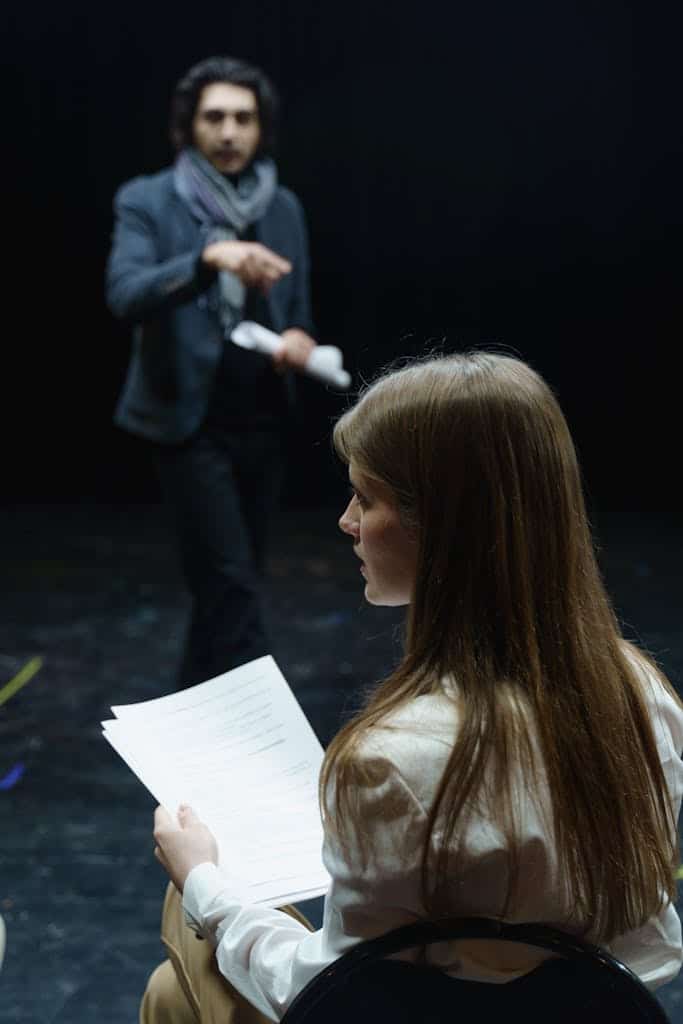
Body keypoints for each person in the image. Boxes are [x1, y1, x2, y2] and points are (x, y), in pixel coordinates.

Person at [143, 352, 683, 1022]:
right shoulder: (645, 698)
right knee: (174, 991)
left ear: (443, 528)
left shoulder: (392, 759)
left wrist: (202, 882)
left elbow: (327, 993)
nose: (346, 522)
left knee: (188, 914)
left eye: (365, 499)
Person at [106, 56, 317, 688]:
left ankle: (194, 715)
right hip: (185, 422)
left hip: (262, 416)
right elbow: (125, 294)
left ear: (261, 129)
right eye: (215, 117)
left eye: (243, 119)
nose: (229, 132)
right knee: (231, 585)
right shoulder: (147, 199)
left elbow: (297, 308)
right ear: (189, 126)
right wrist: (207, 258)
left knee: (227, 585)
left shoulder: (281, 206)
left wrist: (299, 340)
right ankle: (265, 724)